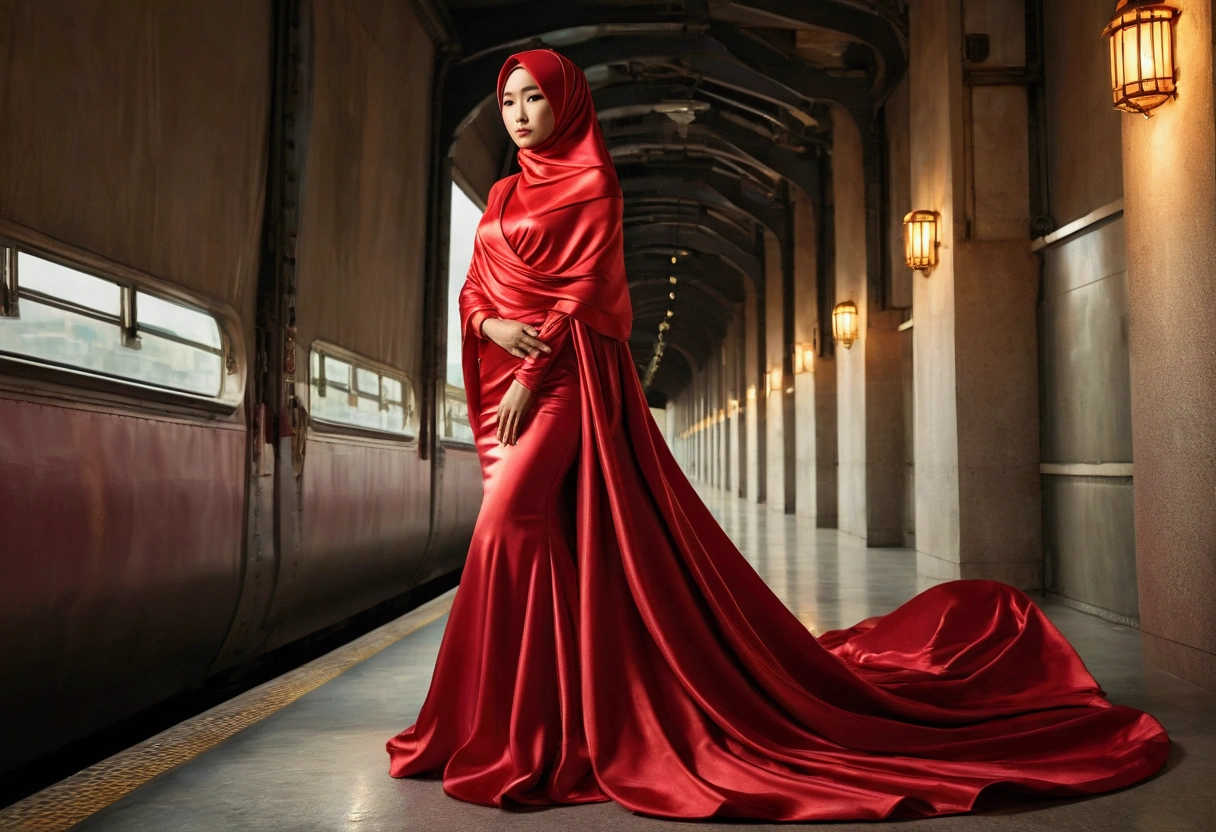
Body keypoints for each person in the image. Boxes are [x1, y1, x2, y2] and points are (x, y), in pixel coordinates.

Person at [386, 48, 1169, 822]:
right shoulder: (496, 196)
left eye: (534, 99)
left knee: (508, 523)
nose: (521, 116)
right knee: (542, 531)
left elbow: (591, 286)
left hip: (564, 384)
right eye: (511, 102)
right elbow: (471, 290)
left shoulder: (593, 182)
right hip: (505, 380)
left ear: (567, 104)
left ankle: (530, 720)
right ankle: (545, 711)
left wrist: (532, 369)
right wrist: (494, 324)